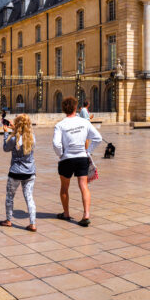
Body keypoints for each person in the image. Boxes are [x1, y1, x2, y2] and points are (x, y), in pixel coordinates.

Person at [53, 96, 102, 227]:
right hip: (82, 157)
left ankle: (66, 213)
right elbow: (98, 138)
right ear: (76, 108)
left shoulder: (60, 125)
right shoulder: (84, 122)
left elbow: (56, 144)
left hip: (67, 159)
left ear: (63, 109)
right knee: (83, 186)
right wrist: (88, 151)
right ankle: (86, 215)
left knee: (64, 187)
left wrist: (61, 154)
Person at [0, 114, 37, 232]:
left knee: (10, 197)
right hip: (29, 172)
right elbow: (23, 135)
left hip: (15, 172)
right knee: (29, 197)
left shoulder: (14, 138)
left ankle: (8, 220)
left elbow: (6, 148)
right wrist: (14, 128)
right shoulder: (32, 137)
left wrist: (6, 133)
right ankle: (33, 223)